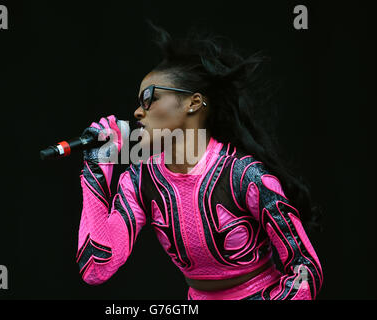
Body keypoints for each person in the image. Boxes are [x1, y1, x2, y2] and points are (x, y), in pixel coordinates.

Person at [75, 22, 323, 300]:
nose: (137, 112)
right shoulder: (140, 179)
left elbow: (306, 271)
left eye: (149, 99)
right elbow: (96, 268)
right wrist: (97, 165)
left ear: (193, 103)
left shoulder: (244, 176)